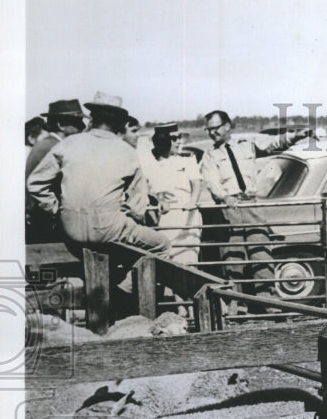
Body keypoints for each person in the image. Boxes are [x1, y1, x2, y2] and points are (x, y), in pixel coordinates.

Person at [27, 91, 171, 255]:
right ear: (120, 123)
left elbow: (36, 183)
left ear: (92, 118)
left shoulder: (68, 143)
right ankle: (125, 281)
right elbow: (137, 207)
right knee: (162, 245)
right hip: (108, 228)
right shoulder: (127, 151)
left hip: (69, 227)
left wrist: (57, 209)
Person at [199, 109, 312, 290]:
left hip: (252, 204)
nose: (212, 133)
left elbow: (272, 143)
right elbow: (211, 181)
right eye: (209, 130)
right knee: (233, 257)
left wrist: (296, 136)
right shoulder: (210, 155)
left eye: (215, 128)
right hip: (230, 208)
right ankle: (238, 306)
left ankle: (268, 302)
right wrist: (223, 196)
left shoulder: (246, 145)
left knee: (261, 253)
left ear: (227, 126)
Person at [143, 123, 202, 268]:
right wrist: (160, 200)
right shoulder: (150, 164)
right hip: (166, 216)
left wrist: (192, 202)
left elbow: (196, 184)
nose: (179, 142)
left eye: (179, 138)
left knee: (189, 259)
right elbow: (152, 189)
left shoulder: (187, 160)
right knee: (168, 259)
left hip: (188, 215)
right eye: (174, 139)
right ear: (164, 141)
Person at [25, 98, 88, 176]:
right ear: (61, 125)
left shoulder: (50, 144)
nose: (83, 126)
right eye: (77, 122)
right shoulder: (50, 147)